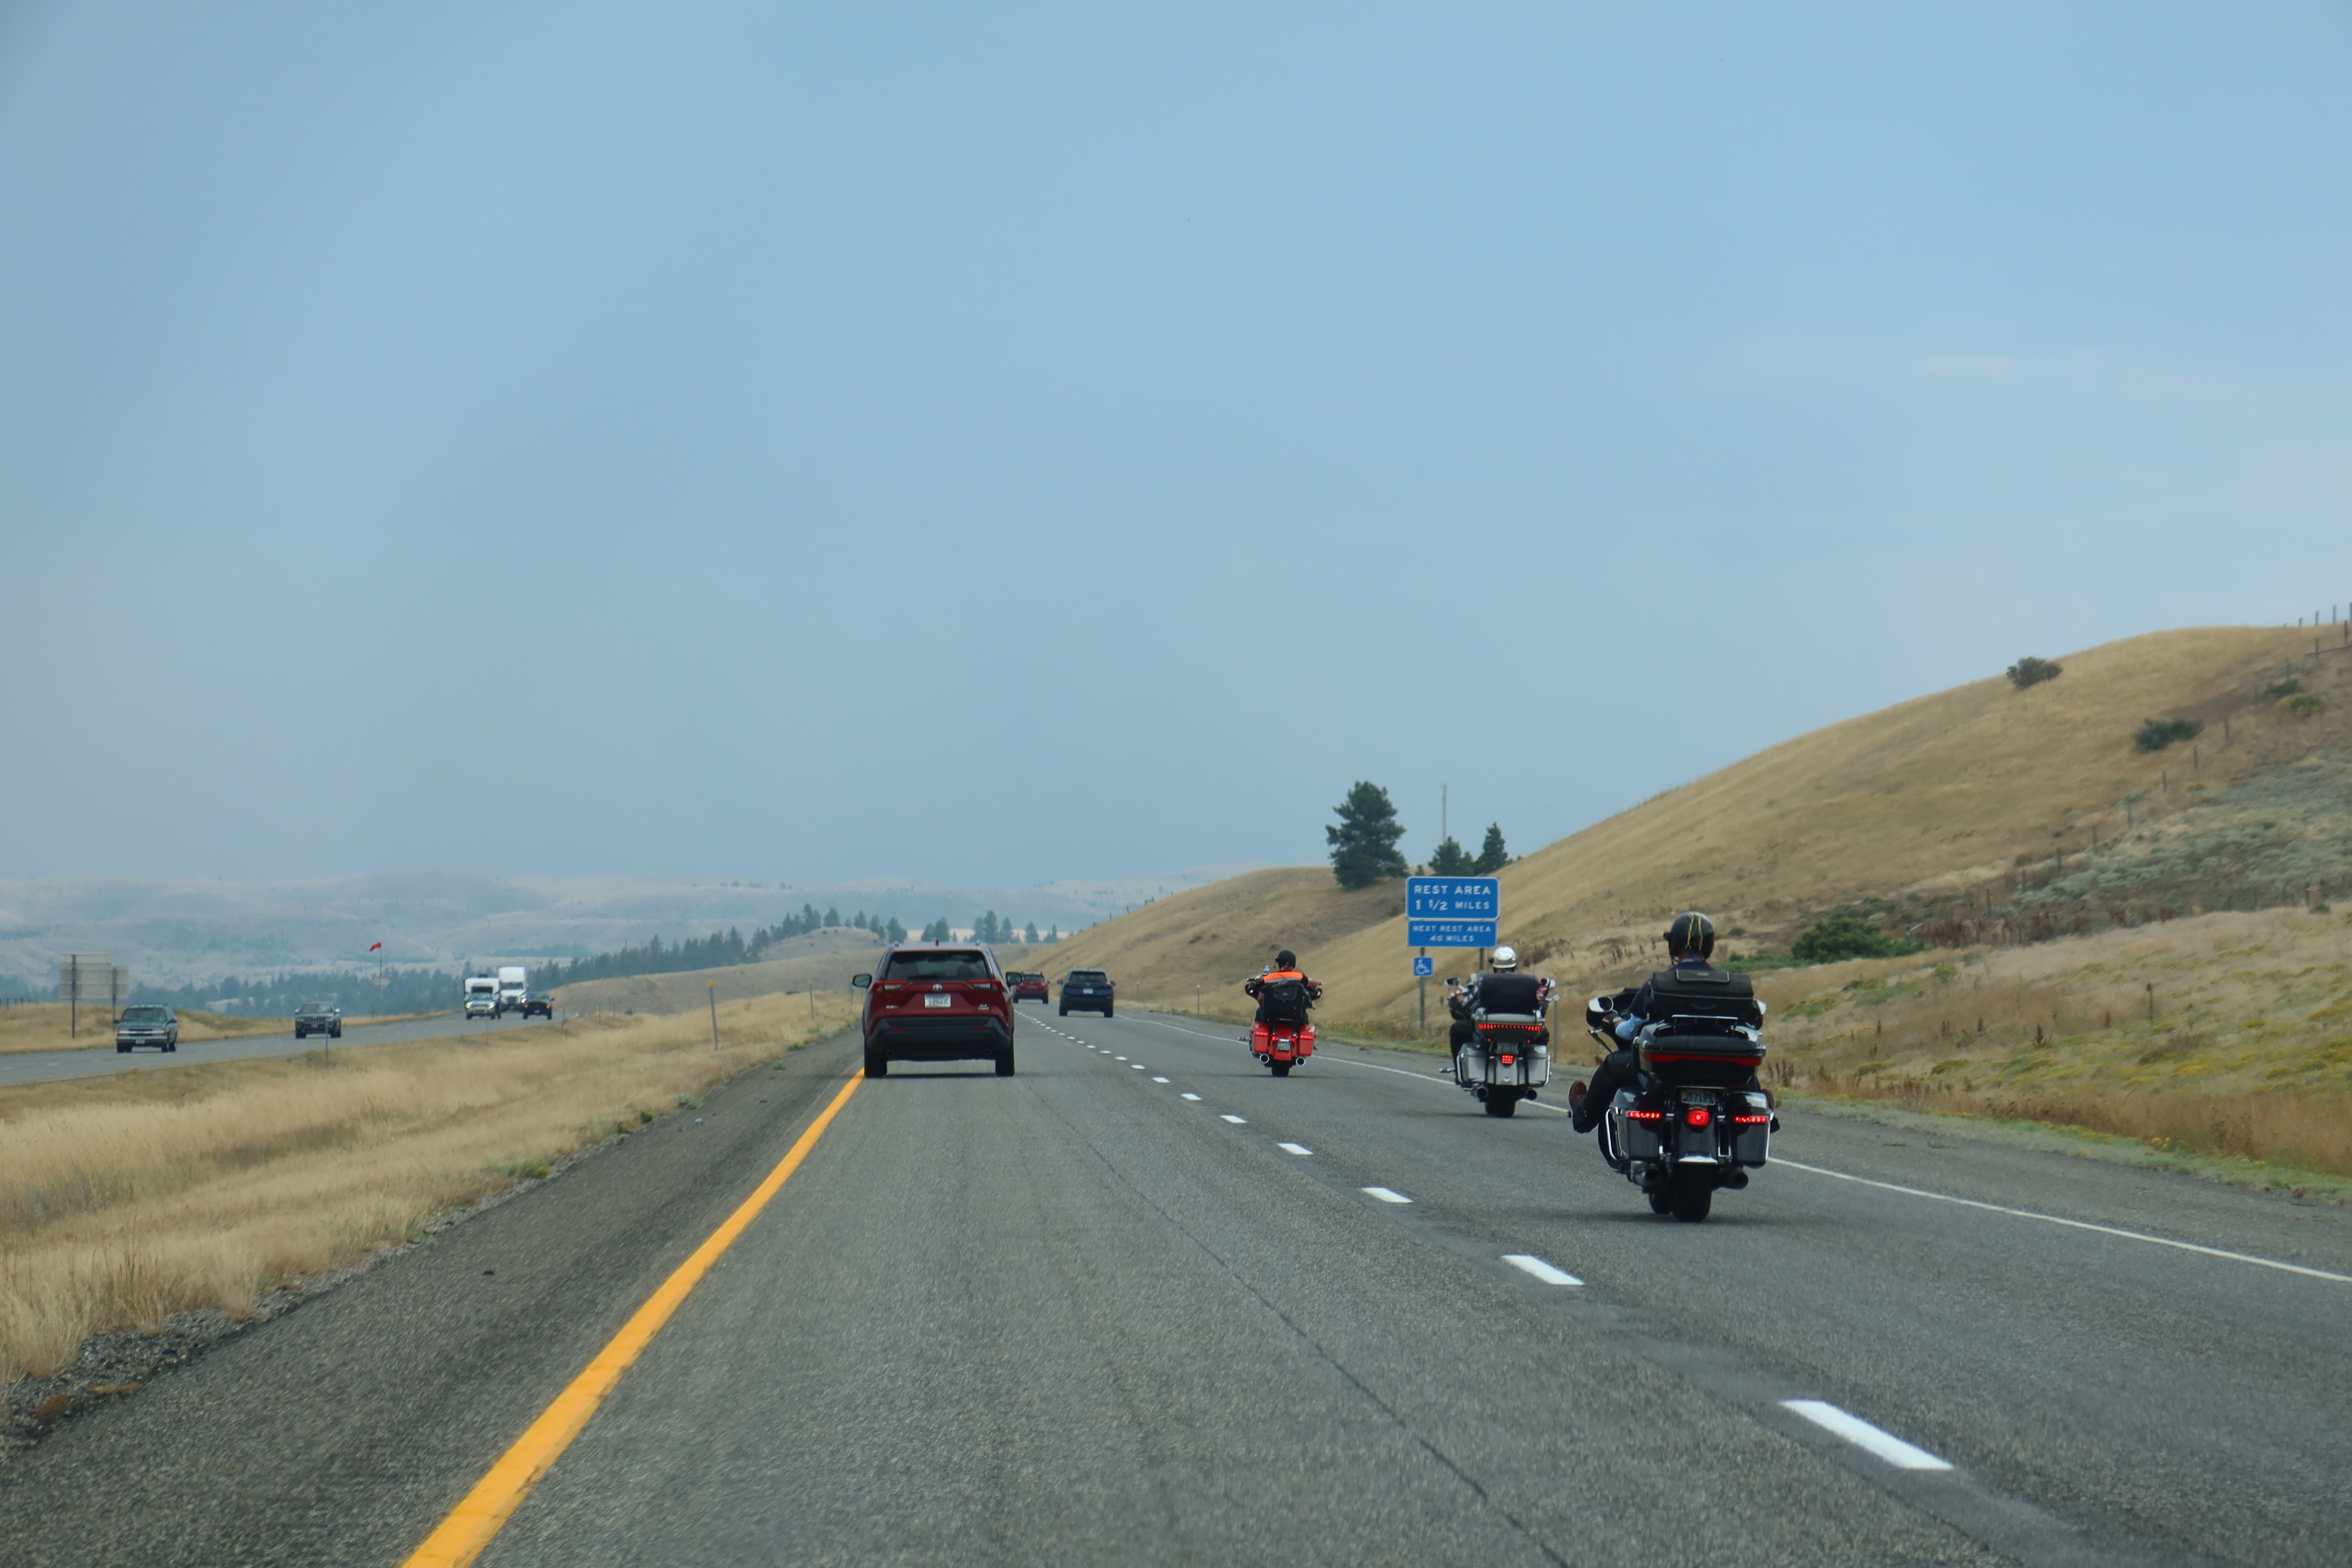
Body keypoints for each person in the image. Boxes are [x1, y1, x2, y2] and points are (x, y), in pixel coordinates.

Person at [1570, 911, 1758, 1132]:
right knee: (1750, 1078)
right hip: (1722, 1074)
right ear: (1709, 946)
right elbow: (1750, 1025)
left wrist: (1617, 1022)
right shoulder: (1733, 986)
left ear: (1674, 945)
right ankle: (1769, 1119)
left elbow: (1629, 1032)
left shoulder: (1657, 984)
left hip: (1667, 1073)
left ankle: (1583, 1117)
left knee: (1613, 1065)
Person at [1446, 945, 1547, 1057]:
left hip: (1491, 1029)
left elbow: (1469, 1004)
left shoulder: (1486, 982)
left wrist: (1460, 997)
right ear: (1514, 966)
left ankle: (1459, 1067)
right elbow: (1539, 1004)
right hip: (1523, 1028)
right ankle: (1531, 1058)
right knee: (1544, 1034)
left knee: (1457, 1030)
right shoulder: (1528, 982)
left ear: (1495, 966)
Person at [1246, 950, 1322, 1023]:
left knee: (1260, 1012)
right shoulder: (1300, 977)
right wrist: (1318, 982)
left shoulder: (1268, 979)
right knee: (1305, 1016)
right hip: (1295, 1016)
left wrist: (1264, 1007)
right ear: (1293, 964)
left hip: (1272, 1016)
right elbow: (1311, 983)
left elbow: (1260, 999)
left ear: (1279, 963)